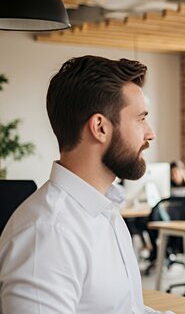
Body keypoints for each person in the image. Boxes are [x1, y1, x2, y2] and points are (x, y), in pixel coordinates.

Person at [0, 55, 170, 313]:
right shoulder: (48, 233)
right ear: (100, 127)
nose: (150, 133)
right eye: (140, 119)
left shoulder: (105, 213)